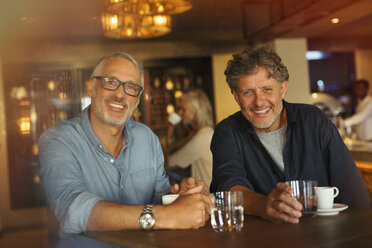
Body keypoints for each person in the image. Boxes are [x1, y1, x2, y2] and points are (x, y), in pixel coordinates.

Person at [39, 52, 212, 247]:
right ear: (90, 87)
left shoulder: (147, 138)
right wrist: (164, 215)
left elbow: (160, 198)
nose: (120, 94)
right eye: (110, 81)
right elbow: (72, 209)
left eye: (131, 87)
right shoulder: (57, 140)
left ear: (137, 100)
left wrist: (181, 198)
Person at [210, 43, 370, 224]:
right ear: (236, 97)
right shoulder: (227, 132)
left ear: (283, 89)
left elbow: (353, 192)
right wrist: (264, 205)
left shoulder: (314, 120)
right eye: (248, 92)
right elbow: (227, 187)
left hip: (326, 237)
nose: (259, 101)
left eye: (267, 89)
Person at [165, 89, 214, 186]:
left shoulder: (204, 135)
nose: (180, 113)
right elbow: (172, 149)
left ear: (195, 111)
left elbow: (171, 161)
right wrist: (170, 128)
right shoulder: (198, 133)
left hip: (209, 196)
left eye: (183, 109)